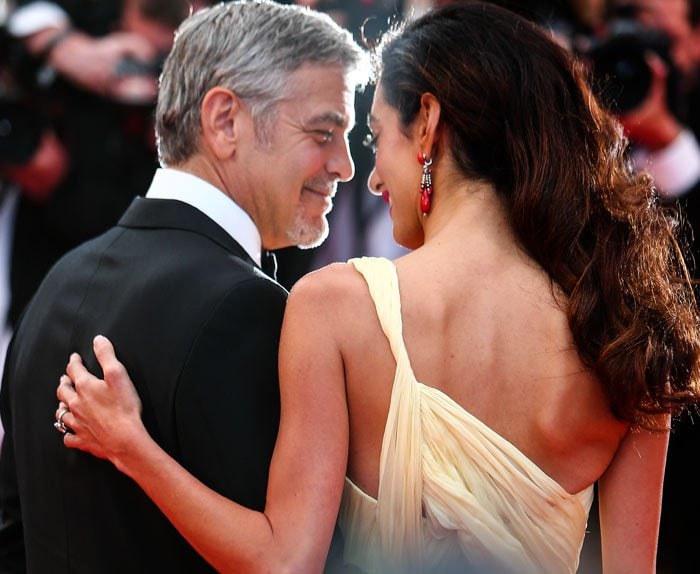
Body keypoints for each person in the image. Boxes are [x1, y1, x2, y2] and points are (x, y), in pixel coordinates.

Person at [55, 2, 700, 573]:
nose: (367, 177)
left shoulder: (336, 305)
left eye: (374, 138)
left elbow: (283, 562)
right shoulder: (623, 322)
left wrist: (134, 449)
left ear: (427, 124)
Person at [0, 1, 366, 571]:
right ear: (224, 121)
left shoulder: (56, 285)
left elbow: (14, 535)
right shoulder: (244, 309)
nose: (344, 164)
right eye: (323, 131)